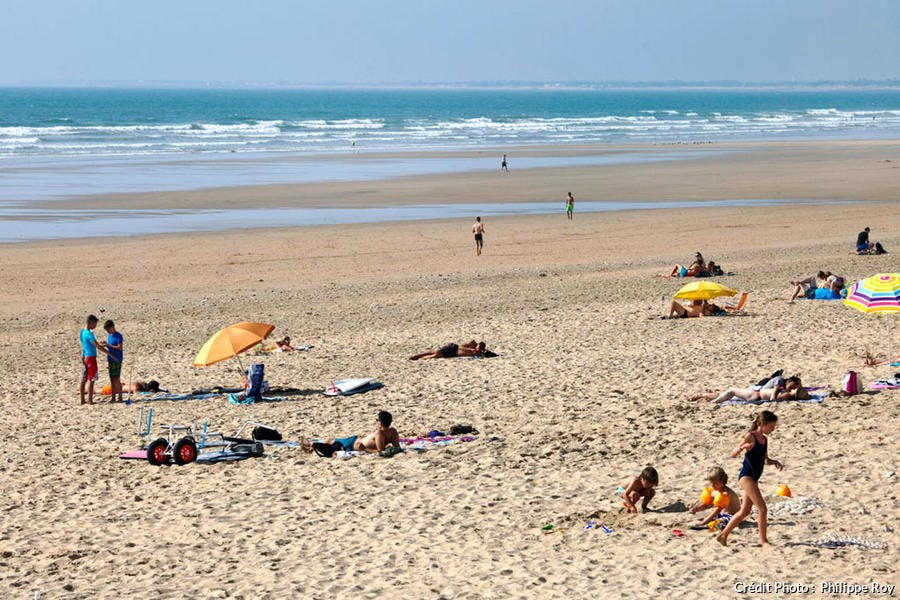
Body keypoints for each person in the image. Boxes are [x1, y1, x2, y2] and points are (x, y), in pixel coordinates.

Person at [716, 411, 784, 547]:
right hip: (746, 477)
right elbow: (734, 453)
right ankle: (764, 541)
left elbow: (764, 460)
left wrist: (774, 461)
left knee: (745, 511)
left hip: (754, 478)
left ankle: (723, 536)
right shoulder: (750, 436)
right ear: (763, 424)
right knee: (763, 509)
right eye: (771, 426)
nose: (773, 429)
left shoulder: (764, 440)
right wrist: (742, 448)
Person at [690, 375, 808, 403]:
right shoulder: (780, 380)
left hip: (756, 394)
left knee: (731, 391)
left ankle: (714, 402)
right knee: (727, 394)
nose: (793, 389)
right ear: (790, 382)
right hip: (756, 393)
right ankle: (704, 395)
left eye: (795, 389)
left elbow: (773, 397)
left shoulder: (785, 393)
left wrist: (773, 398)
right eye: (794, 386)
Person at [79, 314, 105, 405]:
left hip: (85, 356)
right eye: (94, 324)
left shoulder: (82, 332)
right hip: (91, 357)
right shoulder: (89, 334)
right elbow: (96, 345)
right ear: (90, 323)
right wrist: (106, 351)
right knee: (91, 379)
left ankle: (82, 399)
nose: (95, 326)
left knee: (84, 379)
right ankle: (90, 400)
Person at [102, 319, 124, 402]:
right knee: (111, 379)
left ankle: (120, 397)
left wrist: (108, 345)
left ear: (112, 327)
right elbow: (110, 347)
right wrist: (106, 345)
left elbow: (120, 347)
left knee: (117, 378)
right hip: (110, 359)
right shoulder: (110, 336)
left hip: (117, 359)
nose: (107, 331)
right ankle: (113, 397)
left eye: (108, 329)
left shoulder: (118, 336)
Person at [409, 340, 494, 360]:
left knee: (436, 354)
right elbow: (472, 341)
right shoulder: (473, 346)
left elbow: (486, 354)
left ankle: (419, 357)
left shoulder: (477, 352)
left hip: (454, 352)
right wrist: (475, 346)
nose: (477, 347)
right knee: (436, 352)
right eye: (478, 346)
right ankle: (418, 356)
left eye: (479, 347)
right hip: (454, 347)